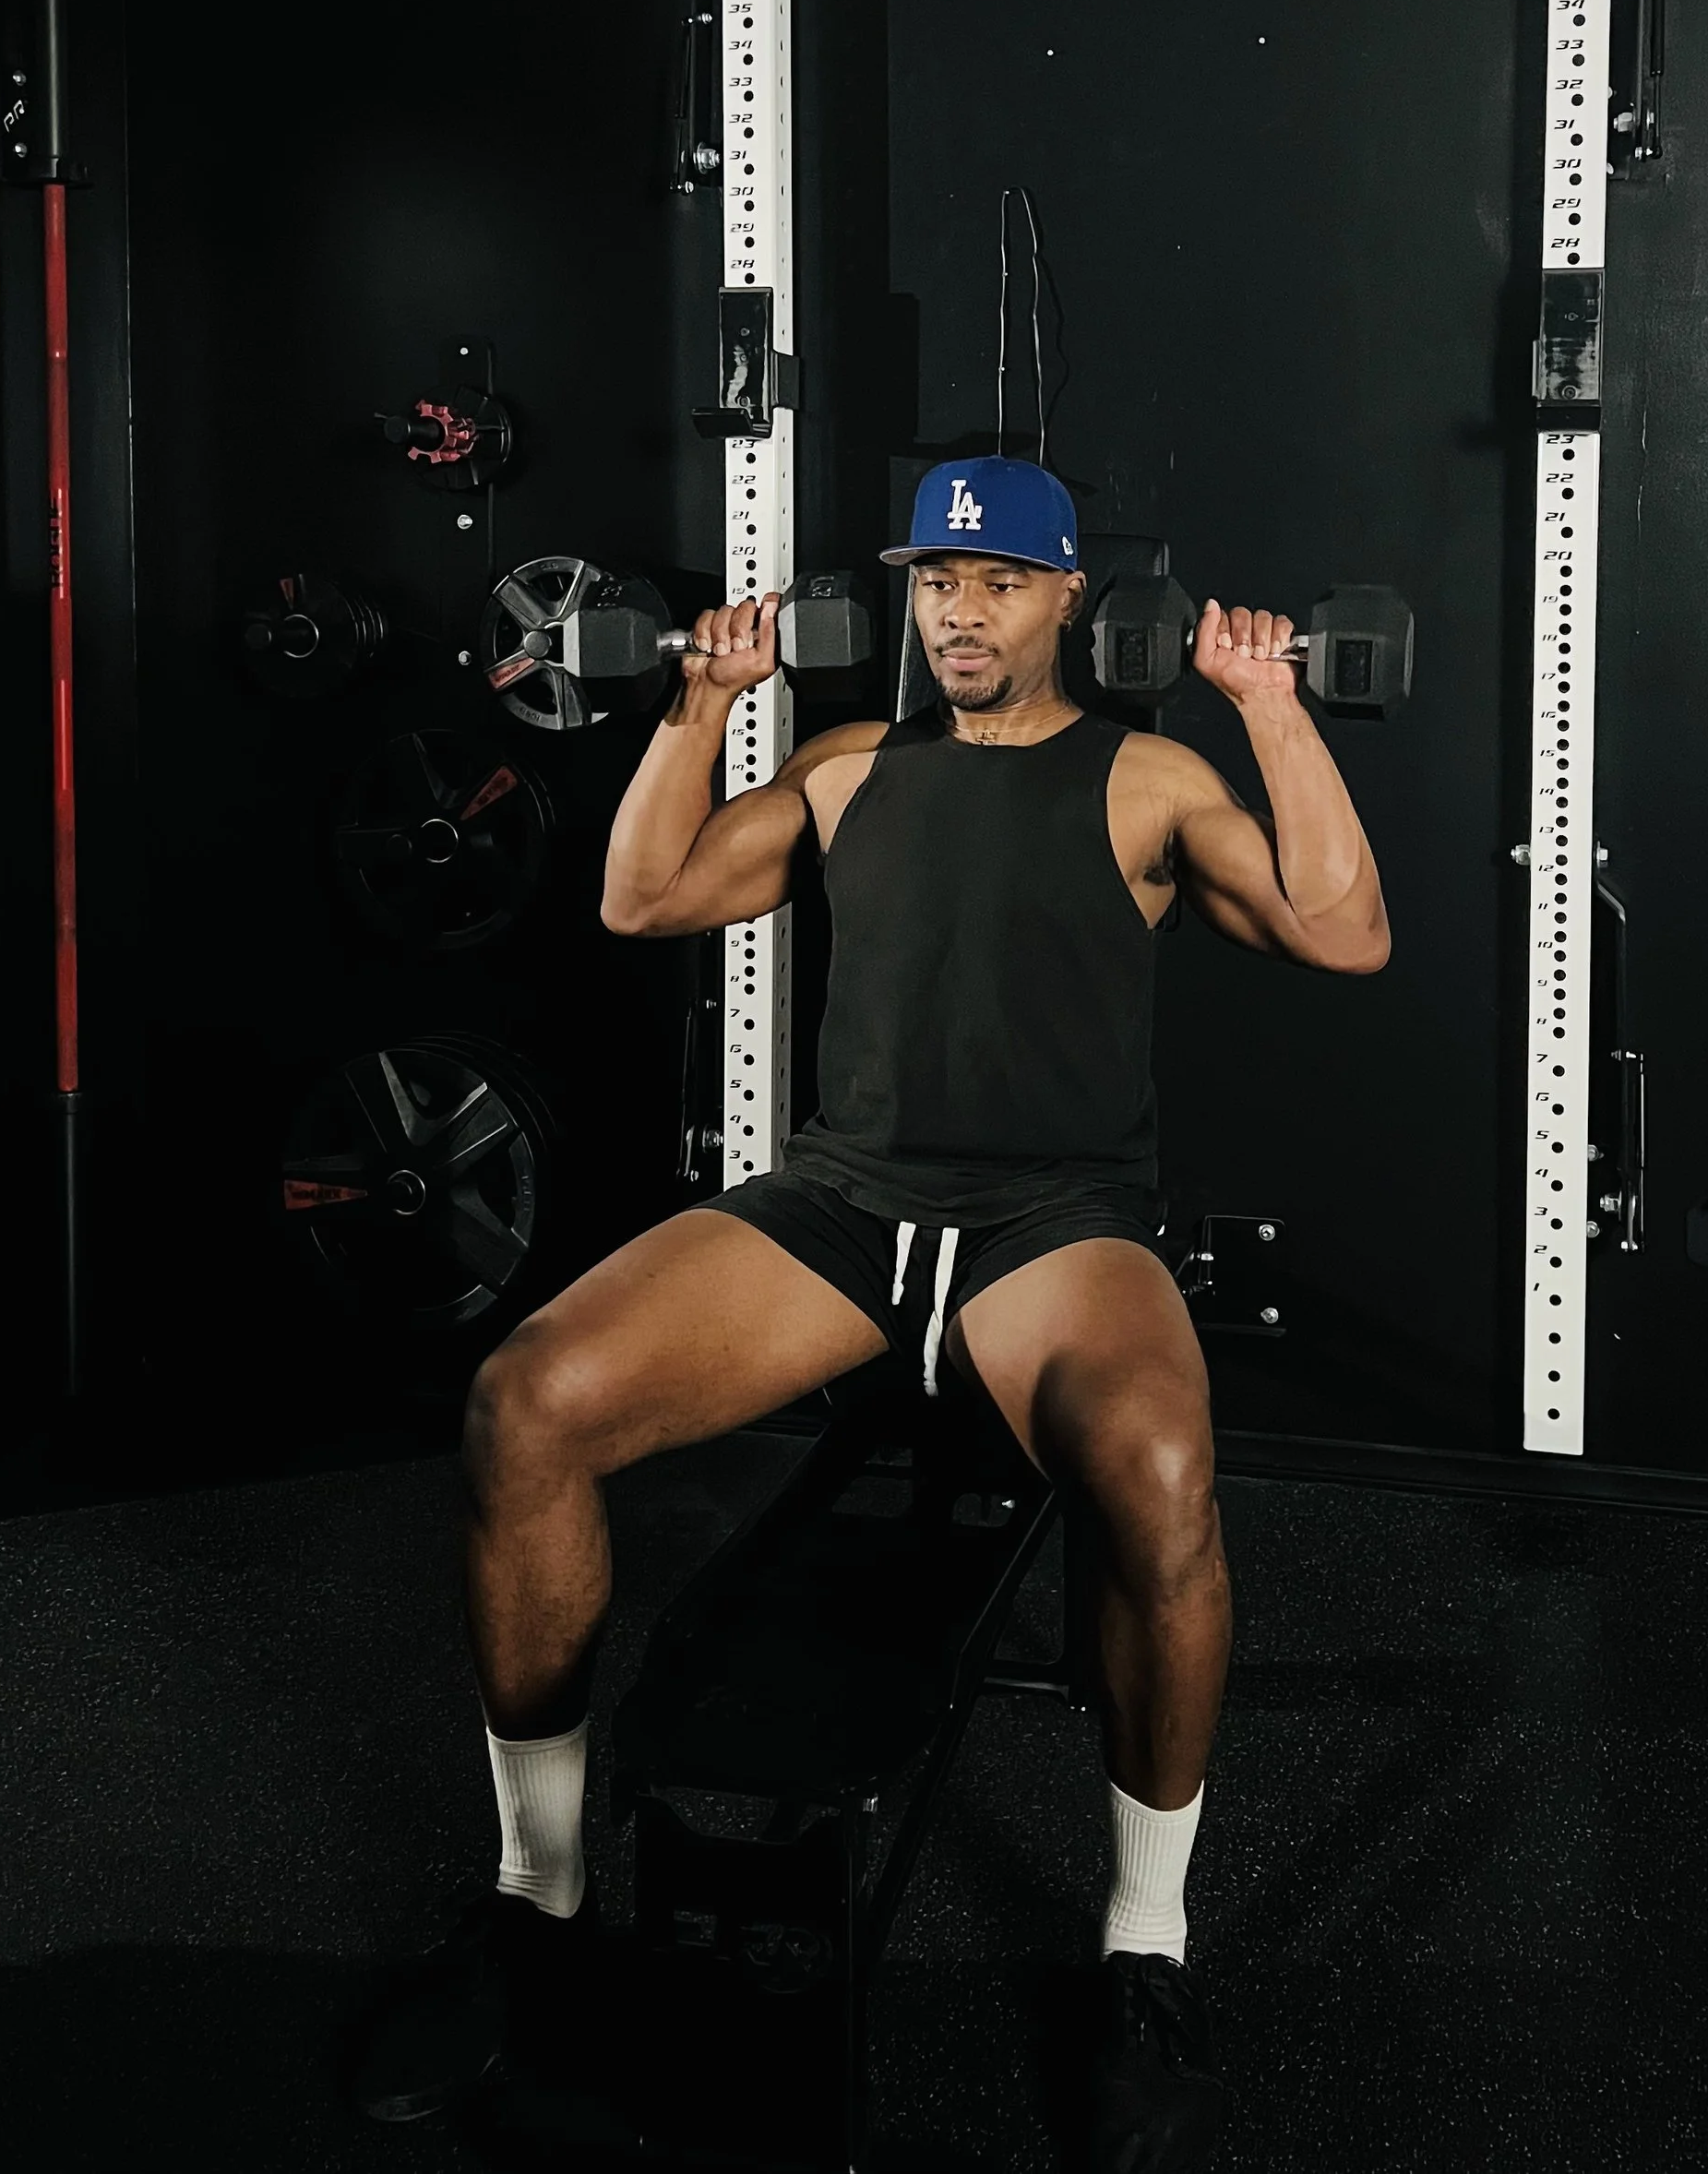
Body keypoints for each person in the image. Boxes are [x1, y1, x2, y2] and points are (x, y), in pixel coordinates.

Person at [356, 454, 1390, 2170]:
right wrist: (699, 707)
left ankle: (1146, 1951)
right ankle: (534, 1901)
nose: (958, 611)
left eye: (993, 582)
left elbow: (1342, 934)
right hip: (841, 1206)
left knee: (1157, 1473)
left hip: (1054, 1225)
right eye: (933, 582)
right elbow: (642, 895)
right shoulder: (844, 770)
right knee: (522, 1404)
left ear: (1067, 596)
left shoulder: (1147, 780)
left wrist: (1271, 709)